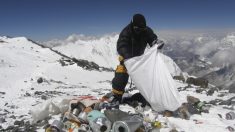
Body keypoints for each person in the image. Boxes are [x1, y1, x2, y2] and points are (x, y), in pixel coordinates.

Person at [105, 13, 164, 103]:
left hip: (140, 59)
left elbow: (152, 38)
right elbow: (121, 45)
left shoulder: (146, 31)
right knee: (121, 74)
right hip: (127, 58)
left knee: (147, 76)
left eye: (142, 29)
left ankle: (146, 96)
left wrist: (155, 43)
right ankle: (117, 96)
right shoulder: (126, 32)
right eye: (137, 29)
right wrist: (129, 58)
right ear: (133, 25)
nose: (140, 31)